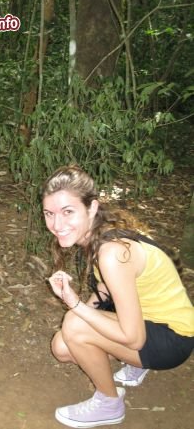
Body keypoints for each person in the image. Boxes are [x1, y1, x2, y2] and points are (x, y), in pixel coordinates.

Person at [42, 165, 194, 428]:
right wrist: (79, 317)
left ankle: (109, 403)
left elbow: (133, 338)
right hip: (147, 321)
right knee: (62, 345)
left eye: (68, 212)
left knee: (75, 325)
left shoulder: (112, 252)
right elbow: (107, 290)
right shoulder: (101, 237)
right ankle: (136, 365)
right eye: (49, 214)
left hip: (174, 338)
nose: (57, 224)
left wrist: (75, 306)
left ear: (91, 208)